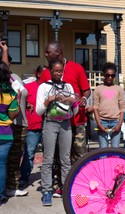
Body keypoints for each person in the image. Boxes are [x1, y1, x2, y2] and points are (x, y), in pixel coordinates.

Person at [40, 41, 91, 197]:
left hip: (77, 120)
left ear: (58, 52)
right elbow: (42, 97)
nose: (46, 54)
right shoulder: (46, 72)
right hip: (55, 122)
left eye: (48, 52)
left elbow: (87, 90)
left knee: (79, 155)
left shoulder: (76, 68)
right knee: (56, 156)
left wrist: (82, 98)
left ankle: (79, 185)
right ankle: (59, 186)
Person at [36, 59, 79, 206]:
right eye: (55, 70)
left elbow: (76, 109)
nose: (58, 73)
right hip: (50, 123)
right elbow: (38, 110)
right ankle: (47, 191)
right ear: (50, 71)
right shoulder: (44, 87)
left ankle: (66, 189)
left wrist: (70, 100)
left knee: (65, 159)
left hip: (65, 124)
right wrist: (50, 100)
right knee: (48, 159)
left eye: (60, 71)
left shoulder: (68, 86)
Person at [0, 46, 29, 197]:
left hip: (20, 122)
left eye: (8, 62)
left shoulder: (16, 77)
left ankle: (11, 186)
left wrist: (26, 103)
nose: (6, 64)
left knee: (15, 158)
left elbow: (23, 95)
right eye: (3, 62)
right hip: (6, 124)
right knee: (0, 162)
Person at [0, 41, 19, 208]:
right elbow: (12, 114)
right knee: (0, 167)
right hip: (3, 134)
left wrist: (4, 50)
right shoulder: (10, 93)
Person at [19, 65, 46, 188]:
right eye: (45, 73)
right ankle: (24, 178)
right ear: (38, 74)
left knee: (49, 155)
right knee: (29, 154)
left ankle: (49, 180)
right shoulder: (28, 87)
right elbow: (20, 103)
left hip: (47, 126)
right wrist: (26, 103)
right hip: (32, 127)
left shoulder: (49, 88)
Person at [93, 62, 125, 148]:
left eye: (112, 75)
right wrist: (99, 124)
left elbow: (122, 108)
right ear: (104, 75)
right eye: (108, 75)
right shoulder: (98, 89)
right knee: (103, 150)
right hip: (102, 121)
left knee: (115, 150)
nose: (110, 77)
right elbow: (95, 108)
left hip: (115, 122)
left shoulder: (119, 89)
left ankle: (115, 162)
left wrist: (119, 124)